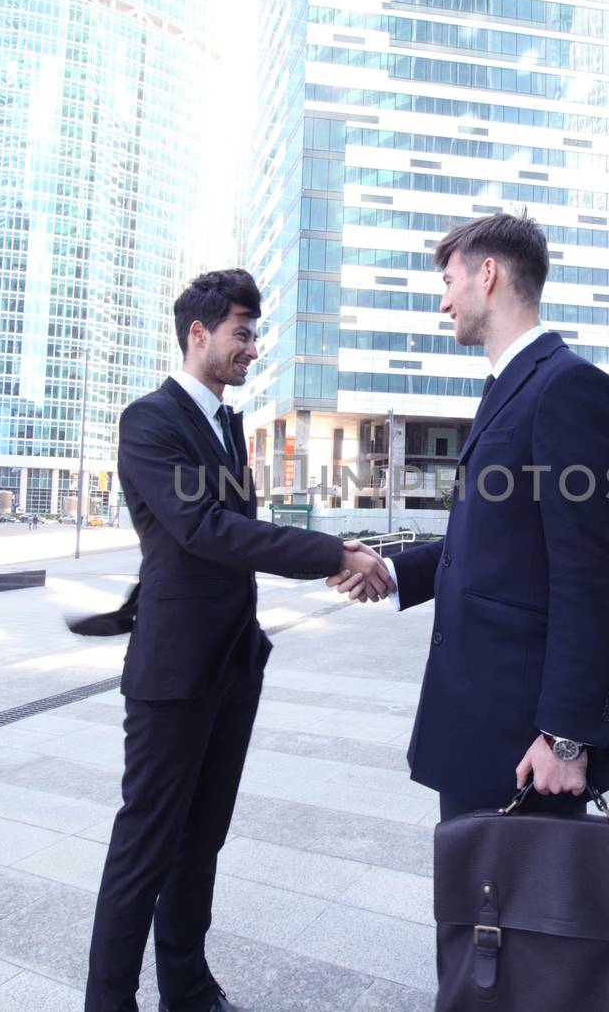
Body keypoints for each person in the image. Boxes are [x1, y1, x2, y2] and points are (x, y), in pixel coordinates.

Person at [84, 269, 391, 1012]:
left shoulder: (226, 426)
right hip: (173, 673)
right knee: (145, 850)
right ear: (199, 333)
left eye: (254, 333)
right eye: (243, 333)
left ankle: (187, 989)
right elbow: (204, 529)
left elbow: (207, 541)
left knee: (201, 846)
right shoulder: (150, 420)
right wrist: (332, 554)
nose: (252, 348)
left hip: (229, 666)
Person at [329, 213, 609, 821]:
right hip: (478, 724)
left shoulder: (568, 388)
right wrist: (396, 572)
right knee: (468, 912)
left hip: (525, 742)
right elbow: (493, 540)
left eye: (449, 281)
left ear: (488, 275)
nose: (443, 302)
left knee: (512, 911)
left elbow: (588, 574)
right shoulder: (507, 388)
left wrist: (566, 735)